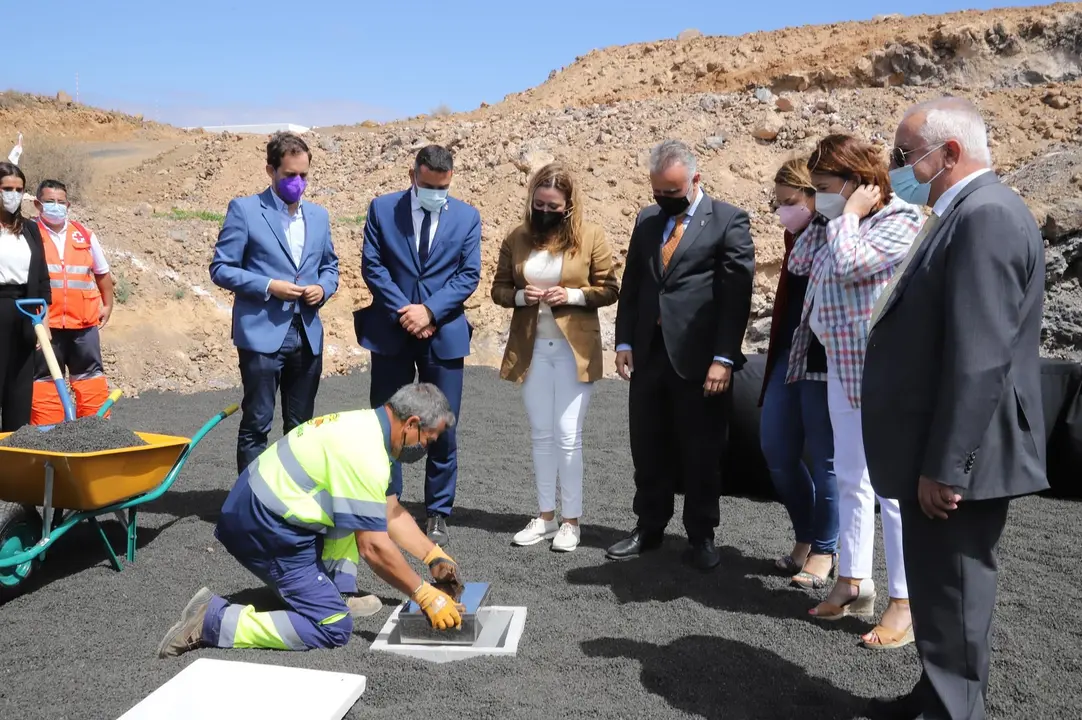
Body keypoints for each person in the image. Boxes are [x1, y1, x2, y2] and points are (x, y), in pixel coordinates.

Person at [862, 97, 1047, 720]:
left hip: (961, 456)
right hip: (946, 446)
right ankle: (935, 699)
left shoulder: (986, 215)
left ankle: (951, 711)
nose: (897, 169)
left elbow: (979, 356)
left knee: (957, 591)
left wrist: (947, 466)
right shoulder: (962, 212)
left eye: (905, 155)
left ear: (949, 154)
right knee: (941, 593)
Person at [157, 383, 468, 658]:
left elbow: (387, 510)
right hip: (263, 526)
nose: (425, 448)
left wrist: (432, 555)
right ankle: (213, 621)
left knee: (358, 511)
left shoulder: (367, 427)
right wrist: (424, 594)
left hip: (264, 506)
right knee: (333, 627)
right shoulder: (365, 453)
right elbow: (373, 546)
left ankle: (335, 591)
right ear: (411, 423)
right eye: (428, 439)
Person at [787, 134, 922, 648]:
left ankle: (904, 602)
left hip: (881, 373)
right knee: (851, 478)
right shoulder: (840, 223)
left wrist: (846, 216)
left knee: (890, 491)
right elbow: (803, 266)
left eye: (825, 187)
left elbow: (848, 267)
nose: (819, 197)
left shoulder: (900, 221)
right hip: (842, 368)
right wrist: (826, 214)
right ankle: (853, 582)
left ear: (857, 181)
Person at [607, 139, 755, 571]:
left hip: (699, 361)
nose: (663, 200)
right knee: (647, 446)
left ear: (696, 180)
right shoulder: (648, 219)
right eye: (657, 192)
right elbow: (633, 285)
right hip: (649, 357)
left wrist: (724, 358)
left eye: (672, 193)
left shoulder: (728, 221)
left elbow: (736, 298)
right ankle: (649, 527)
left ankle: (702, 535)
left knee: (701, 451)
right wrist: (624, 343)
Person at [355, 145, 482, 547]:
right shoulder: (382, 209)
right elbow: (372, 266)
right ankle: (387, 503)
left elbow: (469, 274)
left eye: (443, 187)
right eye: (428, 185)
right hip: (393, 333)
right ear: (413, 175)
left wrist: (429, 311)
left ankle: (438, 513)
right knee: (387, 425)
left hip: (441, 333)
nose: (436, 192)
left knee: (443, 424)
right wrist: (405, 311)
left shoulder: (467, 217)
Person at [490, 162, 620, 552]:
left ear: (568, 205)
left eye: (553, 205)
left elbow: (610, 288)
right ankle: (545, 517)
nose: (545, 211)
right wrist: (518, 296)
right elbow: (498, 289)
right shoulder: (517, 237)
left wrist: (574, 295)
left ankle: (571, 521)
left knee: (568, 436)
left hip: (573, 352)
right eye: (539, 203)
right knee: (541, 436)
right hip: (531, 352)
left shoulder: (590, 236)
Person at [210, 132, 340, 474]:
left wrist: (322, 289)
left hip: (307, 334)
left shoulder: (319, 216)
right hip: (262, 336)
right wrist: (269, 286)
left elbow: (330, 266)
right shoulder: (246, 210)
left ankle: (294, 500)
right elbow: (221, 268)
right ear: (271, 171)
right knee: (257, 422)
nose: (298, 183)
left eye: (304, 176)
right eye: (289, 176)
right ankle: (251, 502)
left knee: (301, 428)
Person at [759, 157, 837, 589]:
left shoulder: (838, 230)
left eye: (790, 201)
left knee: (826, 459)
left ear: (814, 196)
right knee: (776, 450)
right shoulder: (798, 237)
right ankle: (807, 537)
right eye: (778, 204)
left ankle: (824, 550)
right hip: (789, 355)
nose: (784, 211)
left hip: (824, 359)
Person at [29, 179, 114, 424]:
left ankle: (94, 432)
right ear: (37, 204)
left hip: (84, 323)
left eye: (60, 202)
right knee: (44, 382)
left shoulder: (84, 234)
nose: (55, 207)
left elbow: (102, 273)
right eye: (49, 202)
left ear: (68, 205)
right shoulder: (29, 233)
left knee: (90, 380)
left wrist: (107, 305)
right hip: (45, 325)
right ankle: (49, 435)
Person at [0, 162, 51, 431]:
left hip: (26, 310)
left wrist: (45, 319)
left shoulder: (29, 229)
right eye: (7, 188)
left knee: (19, 388)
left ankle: (11, 459)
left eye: (18, 189)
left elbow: (42, 276)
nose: (13, 195)